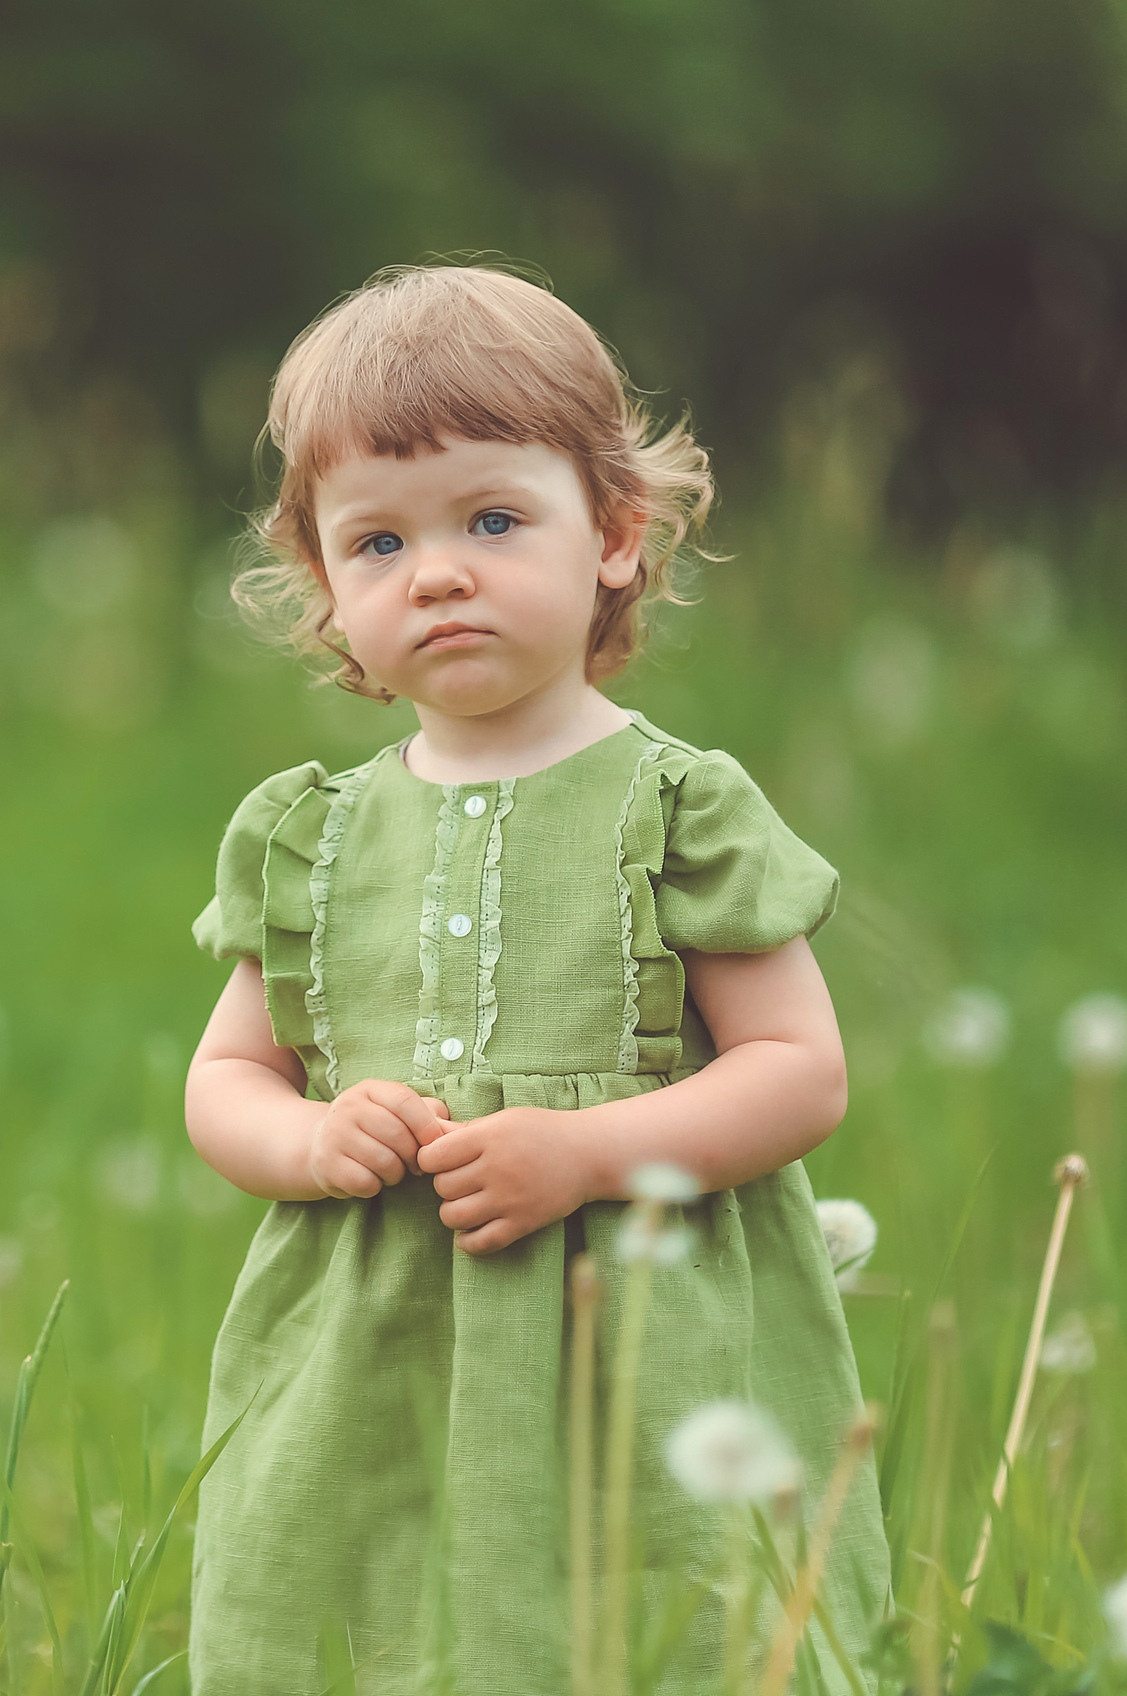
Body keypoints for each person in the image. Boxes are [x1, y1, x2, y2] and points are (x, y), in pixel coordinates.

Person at [183, 262, 889, 1693]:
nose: (435, 572)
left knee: (659, 1626)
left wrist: (590, 1150)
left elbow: (800, 1071)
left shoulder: (678, 805)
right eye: (376, 544)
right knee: (358, 1617)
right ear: (325, 586)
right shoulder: (309, 835)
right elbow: (227, 1077)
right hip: (375, 1345)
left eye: (492, 520)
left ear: (616, 535)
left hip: (640, 1339)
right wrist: (311, 1141)